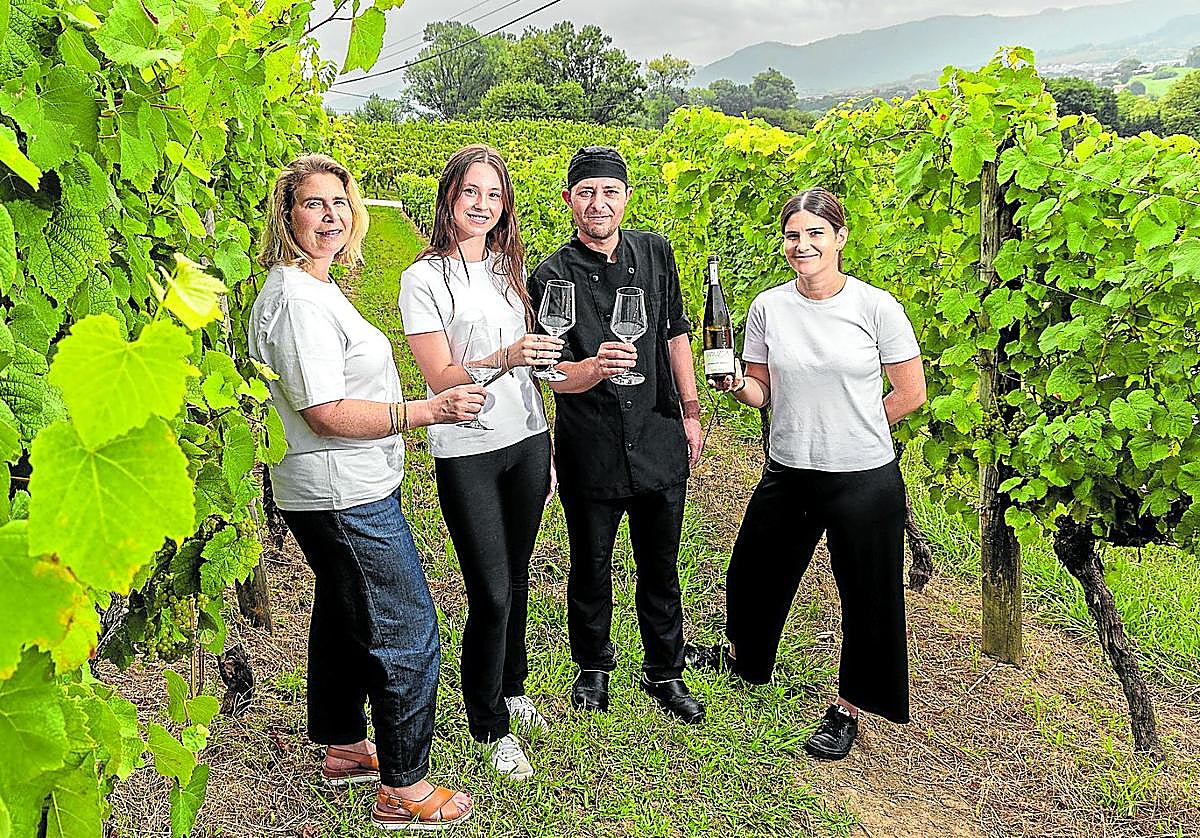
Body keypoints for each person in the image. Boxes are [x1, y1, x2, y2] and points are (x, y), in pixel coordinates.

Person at [249, 153, 479, 830]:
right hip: (340, 492)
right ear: (286, 215)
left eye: (339, 203)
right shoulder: (294, 300)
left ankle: (347, 747)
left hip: (339, 486)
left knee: (347, 612)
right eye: (313, 204)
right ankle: (404, 789)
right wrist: (424, 412)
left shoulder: (314, 288)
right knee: (406, 628)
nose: (330, 216)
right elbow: (325, 410)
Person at [686, 187, 927, 760]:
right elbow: (760, 390)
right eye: (794, 235)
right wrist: (733, 386)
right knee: (754, 571)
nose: (803, 245)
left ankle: (848, 708)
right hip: (789, 468)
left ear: (840, 239)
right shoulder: (768, 307)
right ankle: (744, 657)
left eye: (816, 233)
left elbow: (910, 393)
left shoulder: (876, 307)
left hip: (863, 477)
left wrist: (855, 429)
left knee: (868, 597)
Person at [399, 145, 562, 780]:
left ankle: (513, 688)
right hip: (466, 447)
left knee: (516, 576)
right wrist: (508, 354)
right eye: (472, 193)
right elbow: (440, 374)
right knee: (490, 590)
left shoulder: (506, 269)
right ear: (449, 198)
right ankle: (488, 724)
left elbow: (533, 362)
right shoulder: (423, 279)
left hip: (525, 438)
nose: (483, 206)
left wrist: (538, 370)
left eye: (494, 196)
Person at [527, 146, 706, 725]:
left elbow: (677, 334)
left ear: (626, 198)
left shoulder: (656, 253)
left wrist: (691, 409)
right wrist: (592, 370)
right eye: (585, 192)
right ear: (568, 201)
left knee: (661, 561)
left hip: (656, 434)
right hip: (592, 443)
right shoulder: (550, 276)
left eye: (609, 192)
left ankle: (665, 670)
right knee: (591, 563)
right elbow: (550, 372)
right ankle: (593, 668)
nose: (597, 203)